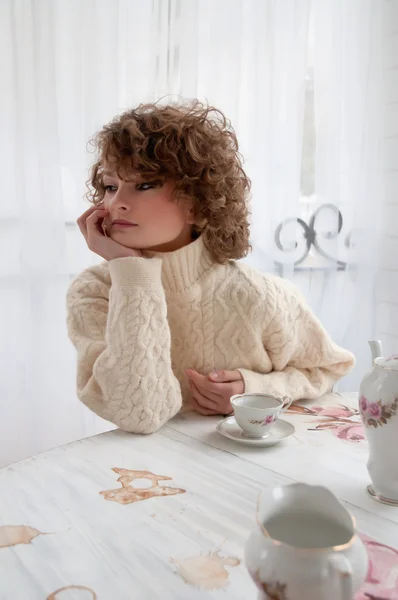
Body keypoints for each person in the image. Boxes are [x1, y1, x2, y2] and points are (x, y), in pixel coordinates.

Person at [67, 101, 355, 434]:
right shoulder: (94, 293)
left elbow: (327, 369)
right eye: (110, 186)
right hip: (142, 478)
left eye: (145, 184)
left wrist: (254, 389)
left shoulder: (262, 296)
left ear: (198, 200)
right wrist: (131, 273)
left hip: (242, 471)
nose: (116, 203)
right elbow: (140, 414)